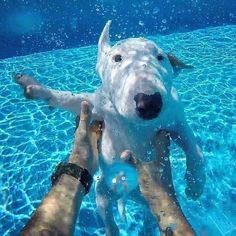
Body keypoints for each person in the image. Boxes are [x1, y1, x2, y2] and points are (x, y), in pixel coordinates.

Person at [20, 101, 195, 236]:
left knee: (103, 199)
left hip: (108, 180)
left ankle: (77, 167)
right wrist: (161, 197)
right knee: (144, 201)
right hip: (126, 178)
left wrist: (78, 166)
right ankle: (159, 200)